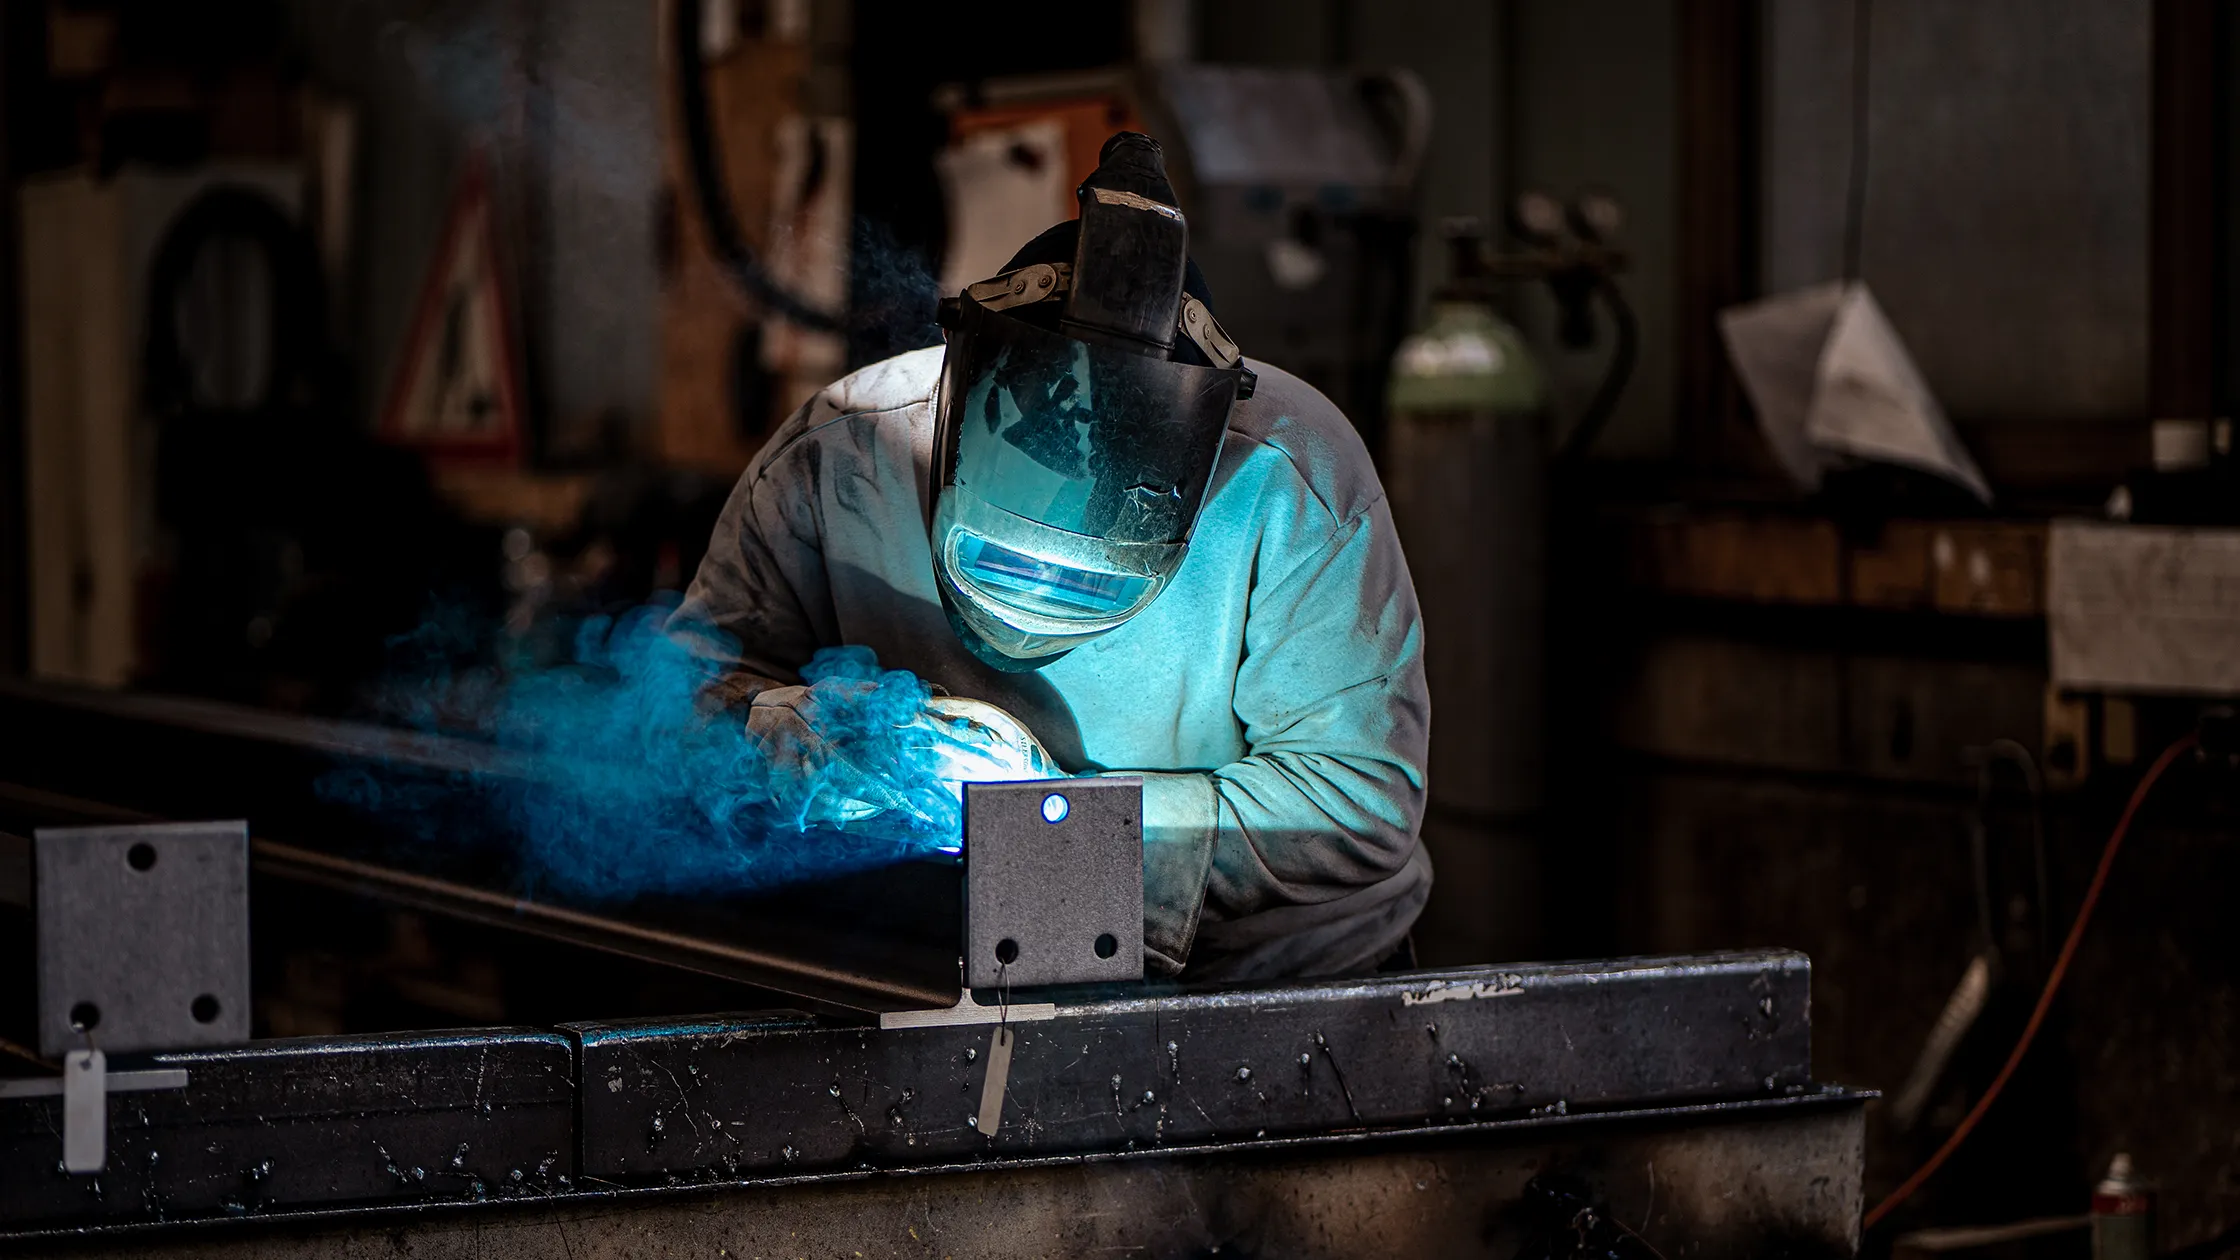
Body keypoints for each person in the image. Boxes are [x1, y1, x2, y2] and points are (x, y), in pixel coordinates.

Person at [671, 133, 1429, 981]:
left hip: (1261, 977)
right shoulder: (842, 456)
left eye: (1085, 581)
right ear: (954, 424)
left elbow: (1357, 801)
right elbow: (682, 697)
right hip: (935, 950)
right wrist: (772, 729)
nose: (1037, 600)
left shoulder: (1293, 476)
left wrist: (1058, 818)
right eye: (1005, 560)